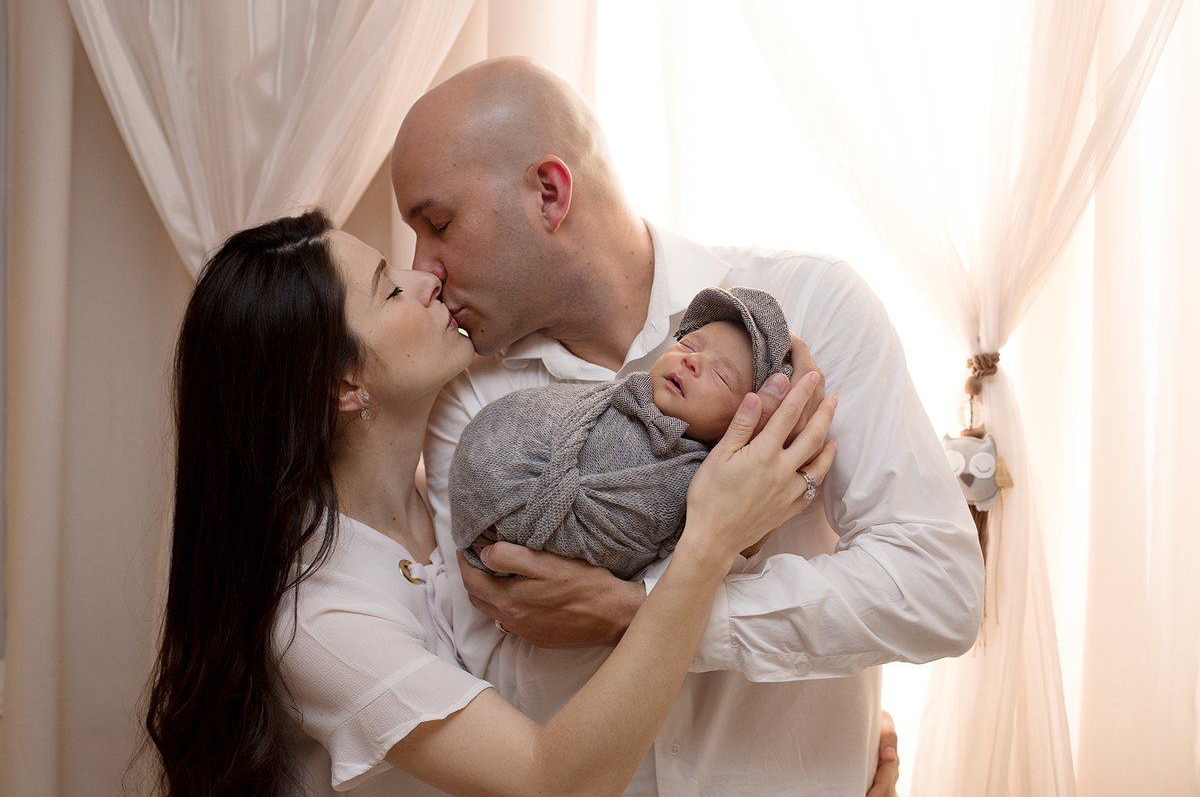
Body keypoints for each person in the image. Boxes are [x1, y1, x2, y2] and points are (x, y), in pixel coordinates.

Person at [395, 57, 985, 796]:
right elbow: (504, 672)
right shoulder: (469, 407)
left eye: (439, 224)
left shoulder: (814, 306)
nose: (424, 269)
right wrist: (711, 549)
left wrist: (631, 610)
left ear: (549, 193)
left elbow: (939, 592)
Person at [143, 210, 837, 797]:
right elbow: (556, 779)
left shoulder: (479, 498)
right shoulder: (320, 616)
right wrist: (710, 544)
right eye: (389, 291)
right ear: (343, 386)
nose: (426, 279)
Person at [452, 286, 795, 580]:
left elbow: (678, 567)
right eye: (689, 346)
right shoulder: (614, 396)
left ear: (744, 423)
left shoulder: (703, 484)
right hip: (494, 486)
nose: (692, 361)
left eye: (721, 376)